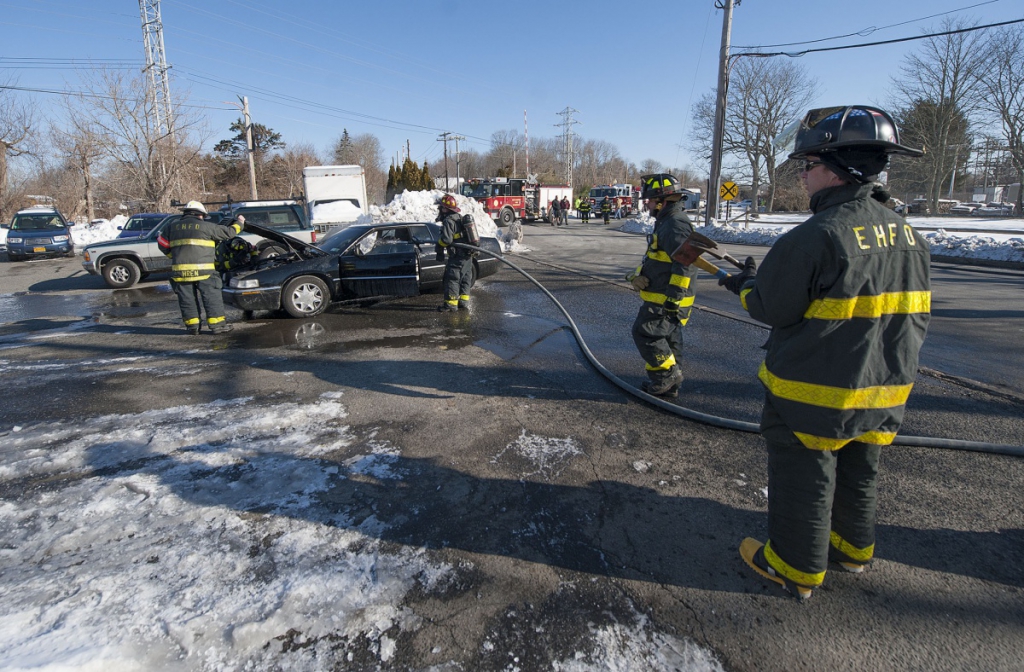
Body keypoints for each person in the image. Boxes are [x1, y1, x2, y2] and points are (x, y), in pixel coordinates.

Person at [719, 105, 931, 601]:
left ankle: (794, 566)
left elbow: (772, 307)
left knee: (806, 472)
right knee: (861, 465)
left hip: (816, 391)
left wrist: (747, 285)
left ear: (835, 168)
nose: (804, 177)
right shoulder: (909, 236)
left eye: (806, 167)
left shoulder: (816, 236)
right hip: (883, 386)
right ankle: (852, 550)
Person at [626, 174, 696, 398]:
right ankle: (669, 383)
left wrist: (674, 299)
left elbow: (684, 264)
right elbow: (658, 259)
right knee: (668, 339)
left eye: (648, 200)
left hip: (666, 299)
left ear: (661, 200)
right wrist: (636, 276)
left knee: (645, 333)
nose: (646, 203)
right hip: (664, 297)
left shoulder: (675, 224)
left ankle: (667, 376)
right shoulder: (667, 221)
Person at [157, 201, 243, 334]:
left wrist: (174, 255)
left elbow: (162, 244)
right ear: (200, 215)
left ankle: (193, 327)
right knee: (211, 297)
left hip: (181, 272)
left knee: (187, 300)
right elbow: (229, 233)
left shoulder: (171, 227)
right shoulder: (206, 227)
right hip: (205, 272)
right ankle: (218, 326)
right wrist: (240, 223)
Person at [435, 194, 474, 312]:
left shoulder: (449, 220)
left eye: (442, 207)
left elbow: (447, 239)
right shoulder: (459, 217)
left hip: (457, 256)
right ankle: (463, 302)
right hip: (467, 255)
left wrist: (439, 245)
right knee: (465, 278)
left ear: (446, 209)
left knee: (452, 278)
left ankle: (451, 305)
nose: (441, 210)